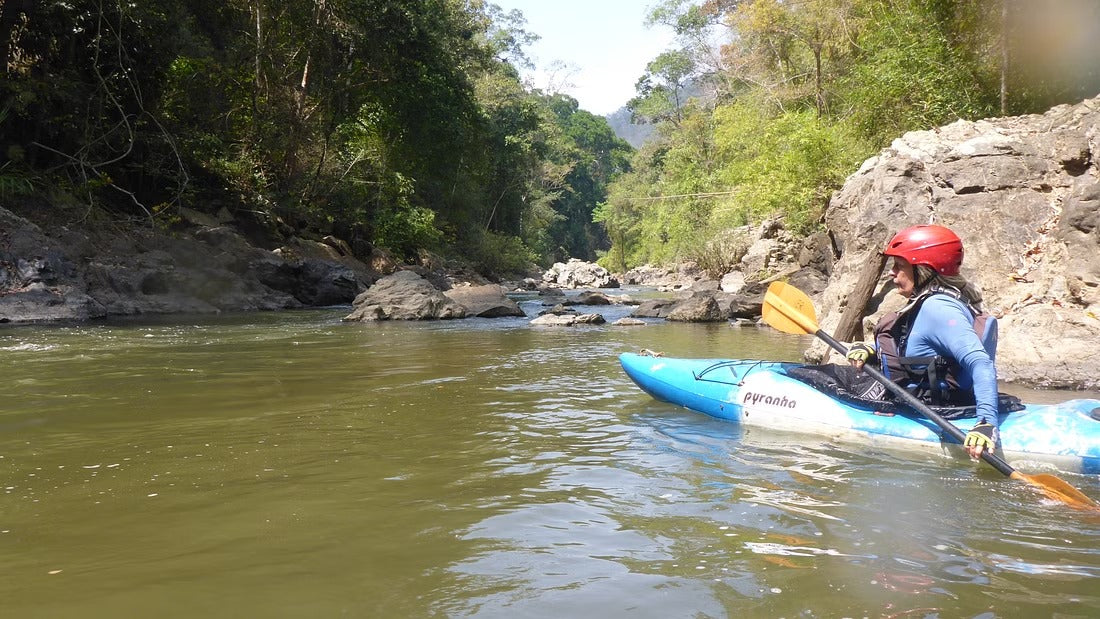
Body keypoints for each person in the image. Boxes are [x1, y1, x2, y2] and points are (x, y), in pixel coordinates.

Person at [845, 225, 1000, 460]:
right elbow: (925, 352)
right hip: (926, 397)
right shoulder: (934, 301)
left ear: (923, 270)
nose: (892, 273)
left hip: (934, 406)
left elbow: (980, 362)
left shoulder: (938, 307)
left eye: (899, 266)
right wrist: (873, 352)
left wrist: (986, 422)